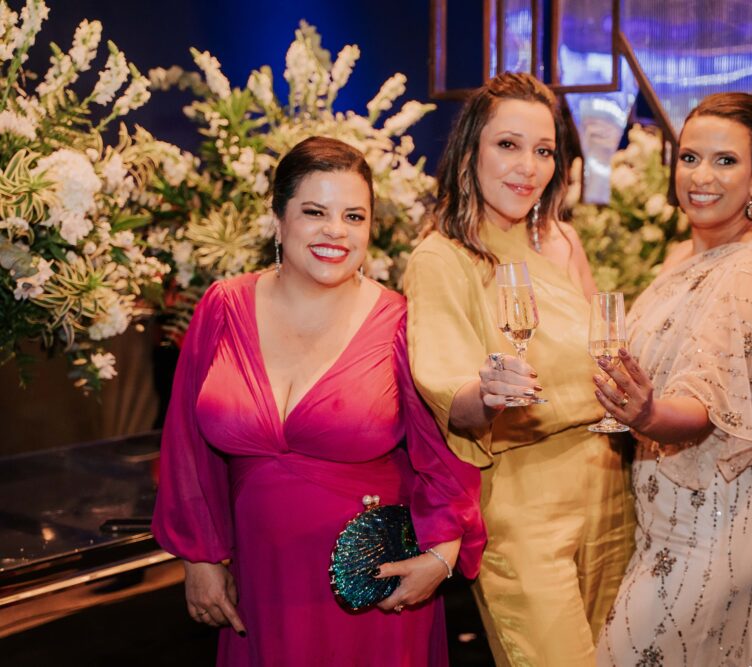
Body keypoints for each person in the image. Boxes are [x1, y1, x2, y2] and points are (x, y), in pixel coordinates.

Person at [151, 137, 486, 666]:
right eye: (315, 212)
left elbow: (445, 454)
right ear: (278, 220)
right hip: (259, 587)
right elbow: (186, 448)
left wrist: (441, 559)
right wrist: (199, 558)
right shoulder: (222, 308)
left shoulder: (399, 323)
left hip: (371, 588)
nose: (336, 230)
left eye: (354, 216)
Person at [403, 72, 634, 666]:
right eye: (508, 144)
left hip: (610, 488)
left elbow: (603, 355)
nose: (528, 167)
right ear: (470, 151)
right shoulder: (442, 257)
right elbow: (449, 395)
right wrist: (488, 393)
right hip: (524, 506)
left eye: (544, 150)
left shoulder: (563, 241)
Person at [594, 92, 752, 666]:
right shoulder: (683, 255)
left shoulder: (749, 274)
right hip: (668, 524)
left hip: (711, 529)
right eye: (690, 158)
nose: (701, 176)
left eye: (725, 160)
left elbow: (705, 406)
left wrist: (647, 415)